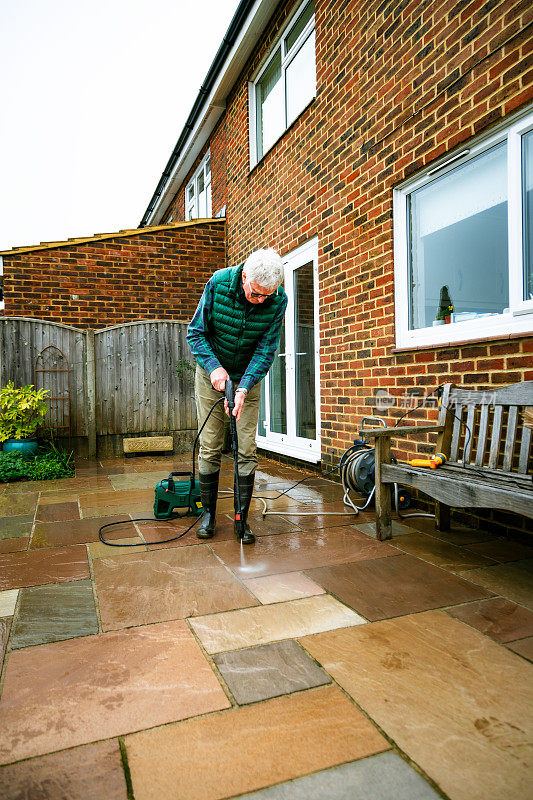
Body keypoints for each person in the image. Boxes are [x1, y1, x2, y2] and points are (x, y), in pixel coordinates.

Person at [186, 248, 287, 544]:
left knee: (246, 447)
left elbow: (266, 349)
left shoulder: (276, 300)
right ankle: (208, 515)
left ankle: (242, 520)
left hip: (248, 379)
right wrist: (214, 367)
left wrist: (244, 387)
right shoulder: (217, 284)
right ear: (244, 277)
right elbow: (196, 332)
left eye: (268, 295)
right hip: (211, 375)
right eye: (256, 294)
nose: (262, 301)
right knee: (211, 444)